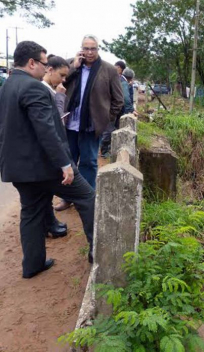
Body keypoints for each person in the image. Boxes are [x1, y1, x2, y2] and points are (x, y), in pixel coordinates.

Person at [0, 41, 96, 278]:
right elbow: (46, 130)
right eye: (44, 63)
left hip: (18, 168)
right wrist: (65, 164)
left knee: (31, 213)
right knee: (87, 197)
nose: (46, 69)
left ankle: (32, 265)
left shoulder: (7, 86)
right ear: (31, 63)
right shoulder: (35, 88)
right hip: (45, 167)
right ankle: (99, 252)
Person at [55, 35, 123, 211]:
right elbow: (58, 83)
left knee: (89, 163)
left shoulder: (108, 70)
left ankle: (86, 200)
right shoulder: (72, 65)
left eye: (93, 48)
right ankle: (67, 198)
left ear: (98, 50)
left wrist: (105, 120)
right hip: (69, 123)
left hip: (91, 127)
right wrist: (73, 68)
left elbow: (118, 100)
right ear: (81, 49)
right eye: (86, 48)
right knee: (68, 162)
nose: (89, 52)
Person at [40, 55, 71, 236]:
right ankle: (49, 225)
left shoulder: (47, 88)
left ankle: (50, 223)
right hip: (46, 152)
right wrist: (60, 96)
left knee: (45, 192)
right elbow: (56, 120)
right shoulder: (45, 91)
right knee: (42, 193)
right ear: (49, 70)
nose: (63, 80)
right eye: (62, 75)